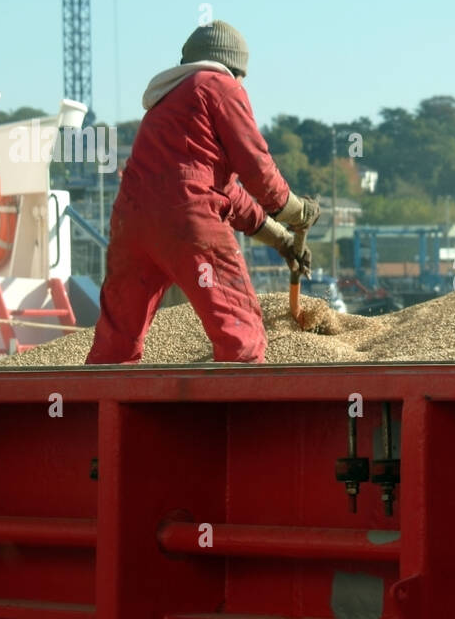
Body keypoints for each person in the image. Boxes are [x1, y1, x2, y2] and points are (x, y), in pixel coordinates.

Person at [85, 20, 319, 364]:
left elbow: (220, 190)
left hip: (130, 226)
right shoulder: (220, 86)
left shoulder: (167, 103)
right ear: (235, 67)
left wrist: (282, 239)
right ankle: (239, 411)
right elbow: (254, 164)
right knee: (239, 331)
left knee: (116, 341)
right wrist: (294, 211)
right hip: (188, 223)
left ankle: (99, 411)